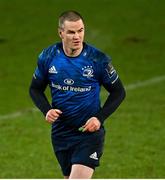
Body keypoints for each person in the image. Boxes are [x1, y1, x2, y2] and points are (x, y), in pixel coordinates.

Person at [29, 10, 126, 179]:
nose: (77, 36)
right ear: (61, 33)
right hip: (61, 133)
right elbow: (35, 89)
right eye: (71, 32)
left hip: (88, 134)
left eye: (80, 30)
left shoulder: (97, 60)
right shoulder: (48, 57)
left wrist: (99, 117)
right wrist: (46, 110)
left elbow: (118, 92)